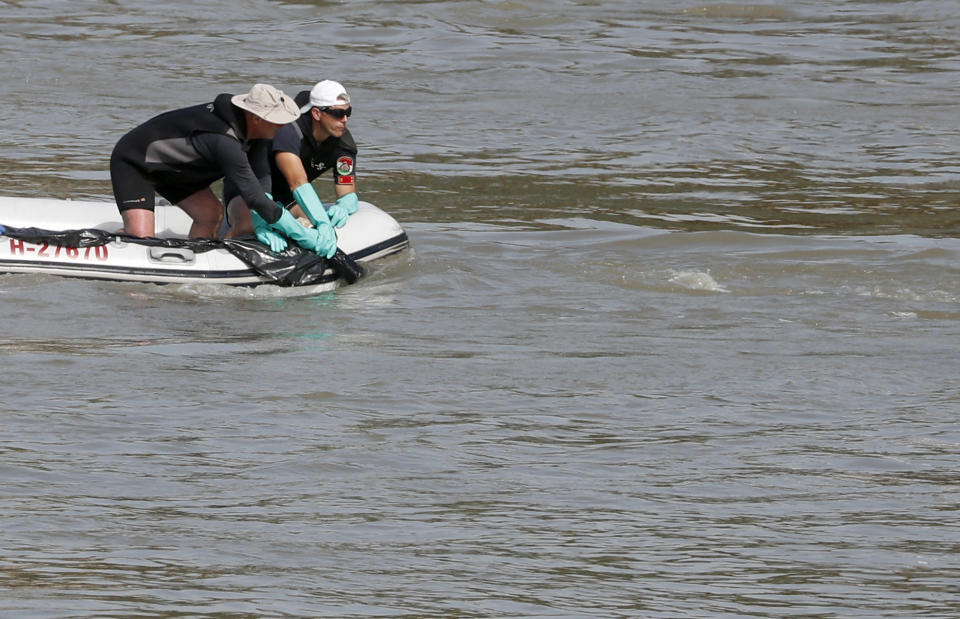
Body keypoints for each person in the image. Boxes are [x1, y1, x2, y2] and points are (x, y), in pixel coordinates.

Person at [109, 83, 334, 256]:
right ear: (256, 118)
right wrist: (300, 234)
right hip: (136, 162)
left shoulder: (259, 133)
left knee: (210, 215)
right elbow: (253, 196)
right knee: (141, 237)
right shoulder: (223, 139)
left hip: (178, 172)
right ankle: (110, 245)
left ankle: (194, 265)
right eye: (278, 121)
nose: (283, 126)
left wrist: (263, 223)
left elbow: (262, 181)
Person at [223, 79, 359, 254]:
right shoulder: (290, 130)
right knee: (246, 226)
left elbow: (346, 191)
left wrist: (345, 206)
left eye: (348, 112)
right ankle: (219, 253)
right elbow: (297, 182)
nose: (345, 120)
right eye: (338, 114)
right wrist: (323, 222)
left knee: (311, 224)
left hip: (288, 198)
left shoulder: (344, 146)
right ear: (317, 113)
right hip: (250, 192)